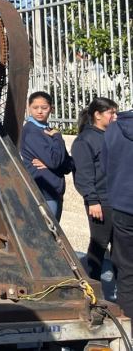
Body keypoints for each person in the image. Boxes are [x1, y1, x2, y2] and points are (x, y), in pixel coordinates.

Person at [71, 96, 118, 282]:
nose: (114, 117)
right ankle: (93, 285)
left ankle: (123, 288)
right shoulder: (85, 140)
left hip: (117, 199)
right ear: (98, 115)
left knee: (120, 247)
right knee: (99, 244)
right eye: (111, 113)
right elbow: (84, 174)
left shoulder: (112, 136)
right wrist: (92, 200)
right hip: (101, 201)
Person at [20, 91, 74, 221]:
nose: (39, 111)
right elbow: (55, 161)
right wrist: (58, 138)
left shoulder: (48, 130)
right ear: (29, 108)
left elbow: (68, 164)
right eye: (35, 107)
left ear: (51, 109)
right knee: (48, 230)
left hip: (54, 189)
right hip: (43, 191)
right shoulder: (32, 131)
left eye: (44, 108)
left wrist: (52, 164)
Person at [103, 109, 133, 317]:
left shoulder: (113, 129)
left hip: (123, 204)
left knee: (126, 266)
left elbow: (106, 166)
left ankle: (128, 316)